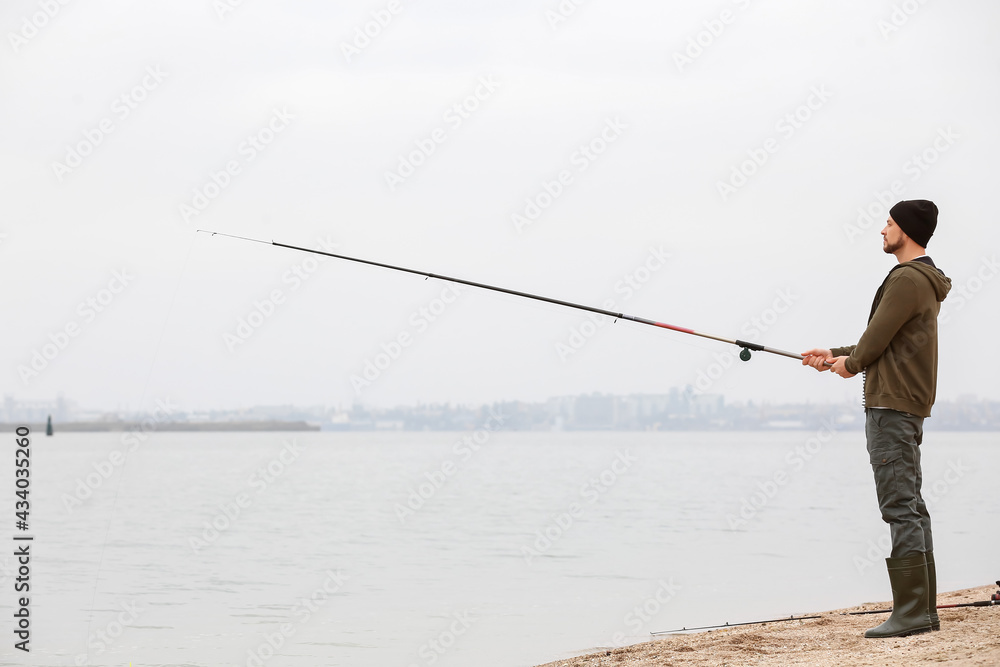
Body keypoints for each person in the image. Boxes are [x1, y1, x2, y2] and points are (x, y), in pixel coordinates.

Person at [802, 199, 951, 638]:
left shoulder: (907, 277)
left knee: (899, 508)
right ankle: (921, 610)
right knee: (912, 507)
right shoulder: (923, 280)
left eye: (888, 223)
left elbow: (875, 341)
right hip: (904, 403)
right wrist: (836, 355)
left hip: (891, 407)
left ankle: (911, 613)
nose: (881, 230)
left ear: (906, 229)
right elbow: (879, 340)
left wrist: (850, 365)